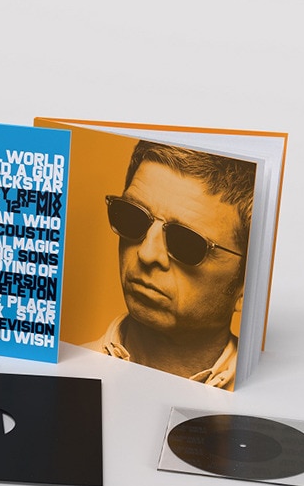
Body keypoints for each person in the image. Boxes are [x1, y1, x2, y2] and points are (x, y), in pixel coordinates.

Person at [87, 140, 254, 387]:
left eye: (186, 242)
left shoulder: (273, 397)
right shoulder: (65, 375)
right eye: (133, 217)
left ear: (246, 285)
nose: (146, 254)